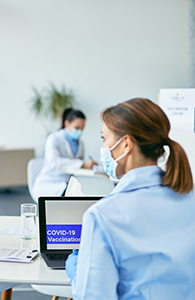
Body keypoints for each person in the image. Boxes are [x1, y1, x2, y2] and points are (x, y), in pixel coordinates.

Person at [66, 98, 195, 299]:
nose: (104, 148)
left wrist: (77, 272)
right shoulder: (189, 199)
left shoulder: (103, 216)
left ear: (126, 144)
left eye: (104, 139)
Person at [32, 108, 97, 197]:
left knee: (86, 191)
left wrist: (89, 165)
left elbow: (77, 167)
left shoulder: (80, 144)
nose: (80, 131)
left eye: (82, 128)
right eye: (77, 127)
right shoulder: (54, 138)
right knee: (71, 195)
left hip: (68, 183)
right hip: (50, 182)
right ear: (67, 124)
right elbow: (54, 161)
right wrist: (82, 164)